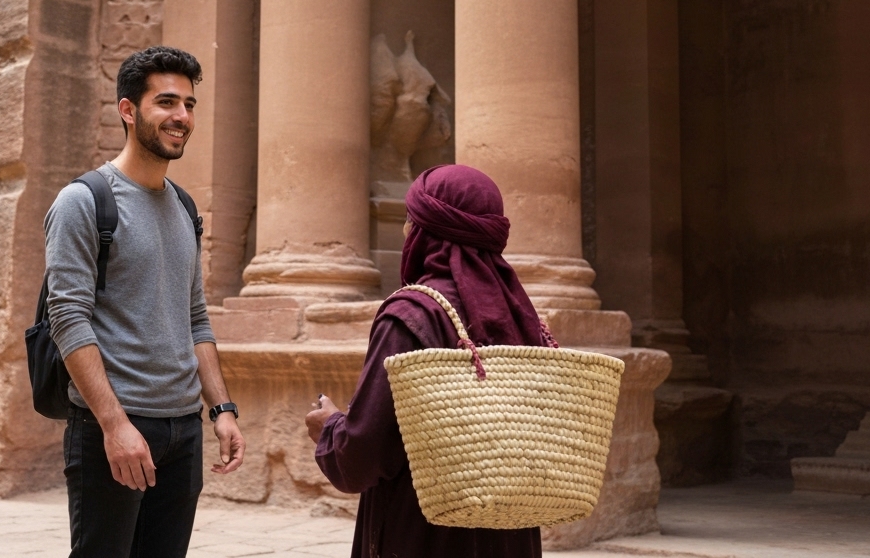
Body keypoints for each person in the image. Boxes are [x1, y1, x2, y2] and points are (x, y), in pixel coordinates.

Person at [45, 46, 245, 558]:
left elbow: (195, 317)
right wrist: (114, 425)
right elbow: (68, 317)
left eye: (191, 105)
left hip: (183, 431)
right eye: (167, 102)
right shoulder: (84, 201)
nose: (182, 117)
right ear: (128, 110)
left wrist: (220, 409)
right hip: (113, 425)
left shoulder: (183, 206)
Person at [305, 164, 560, 558]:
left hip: (425, 530)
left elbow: (366, 451)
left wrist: (329, 428)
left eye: (410, 219)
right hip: (509, 531)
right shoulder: (520, 314)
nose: (406, 230)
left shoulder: (412, 314)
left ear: (424, 229)